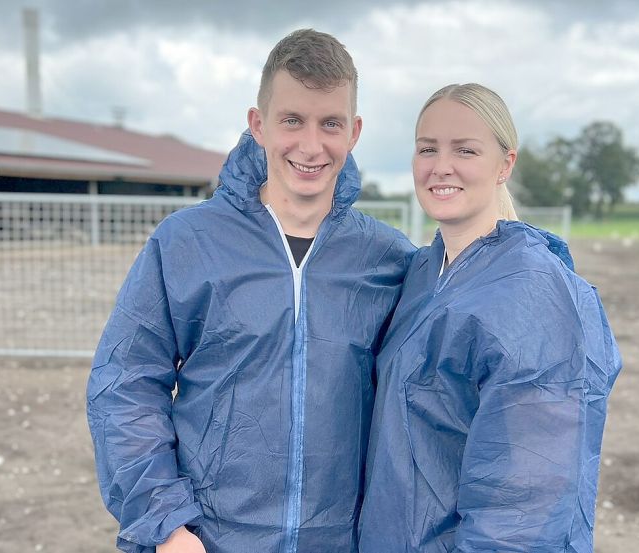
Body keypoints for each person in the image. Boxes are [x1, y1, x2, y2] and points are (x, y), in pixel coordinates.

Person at [86, 29, 414, 553]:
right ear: (258, 125)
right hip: (211, 540)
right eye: (292, 120)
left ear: (353, 132)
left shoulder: (388, 259)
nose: (311, 146)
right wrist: (166, 524)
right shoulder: (187, 242)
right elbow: (125, 385)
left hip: (341, 542)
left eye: (330, 123)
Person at [357, 83, 621, 552]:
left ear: (505, 164)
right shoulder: (421, 275)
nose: (442, 166)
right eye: (427, 149)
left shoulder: (533, 296)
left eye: (466, 150)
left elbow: (525, 504)